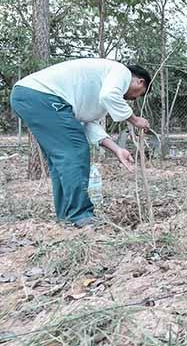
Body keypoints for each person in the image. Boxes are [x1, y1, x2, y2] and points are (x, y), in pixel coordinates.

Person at [10, 58, 152, 226]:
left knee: (63, 160)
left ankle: (67, 215)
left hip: (31, 96)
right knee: (75, 151)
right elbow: (110, 95)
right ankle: (80, 215)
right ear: (140, 81)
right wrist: (135, 120)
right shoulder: (121, 72)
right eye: (140, 94)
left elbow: (88, 124)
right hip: (42, 96)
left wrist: (117, 150)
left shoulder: (99, 91)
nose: (134, 99)